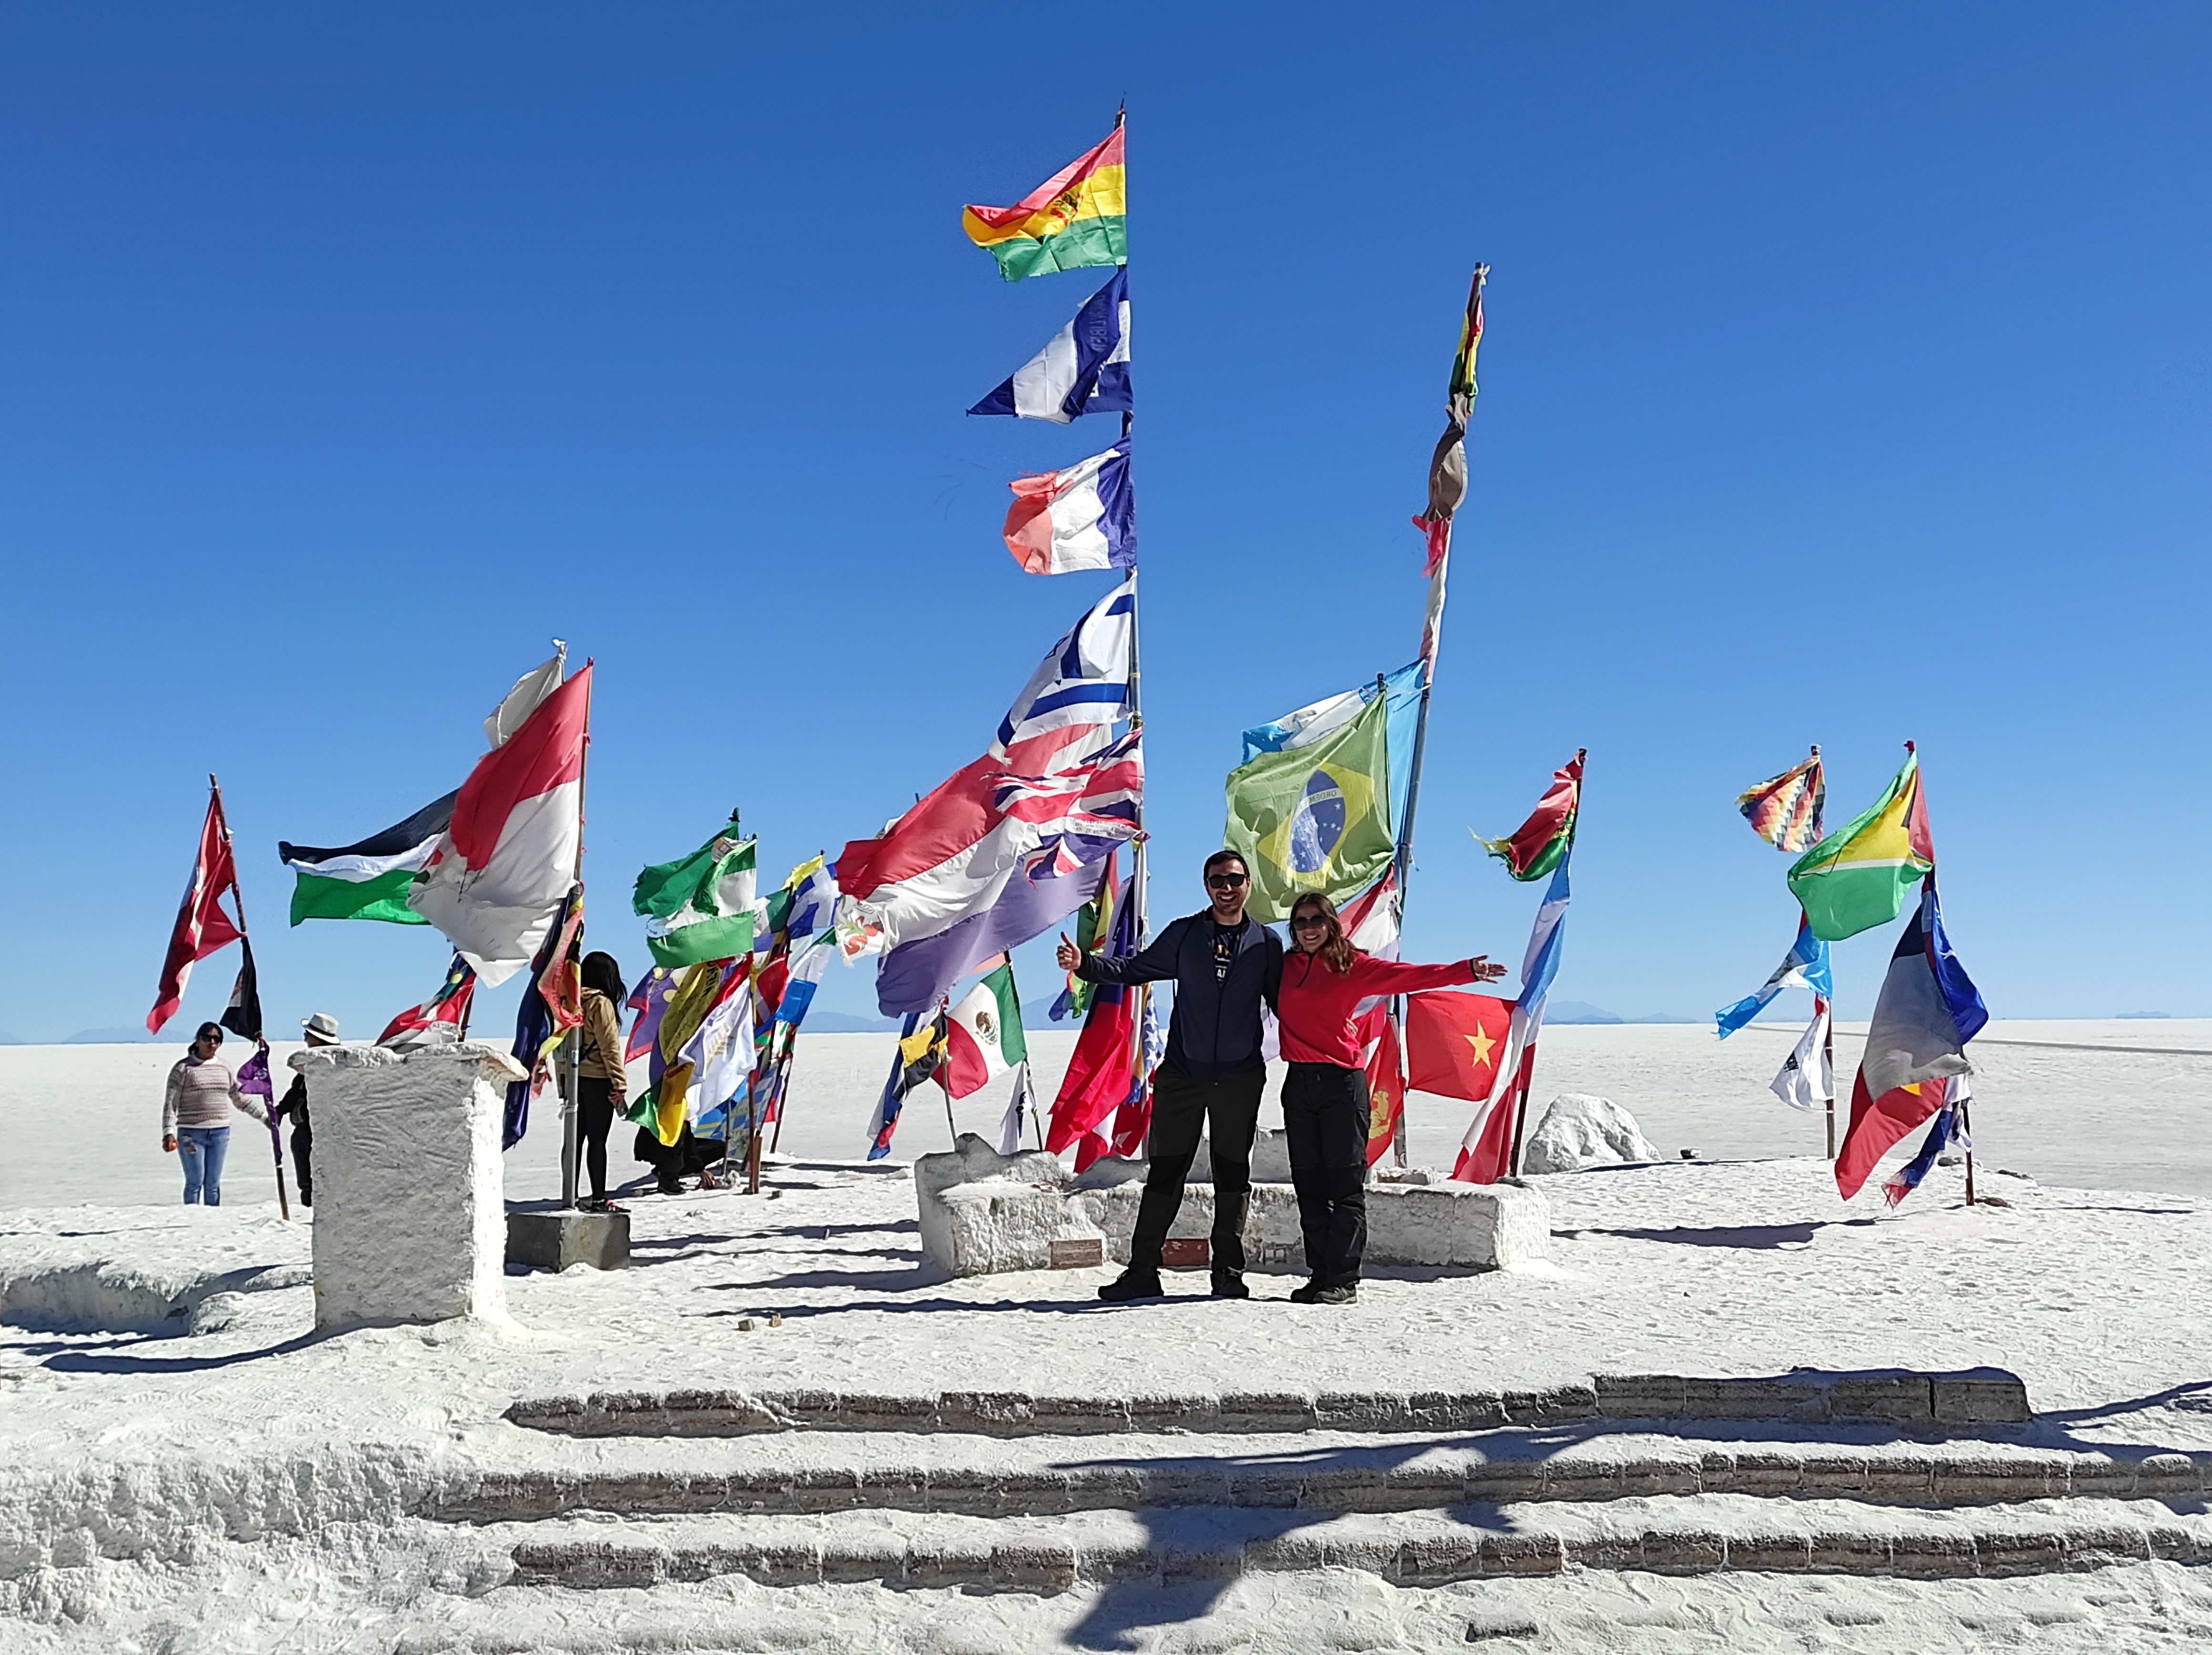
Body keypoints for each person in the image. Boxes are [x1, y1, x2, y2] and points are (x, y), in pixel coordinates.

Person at [1057, 849, 1283, 1303]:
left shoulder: (1266, 943)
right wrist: (1086, 964)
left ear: (1248, 884)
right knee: (1165, 1174)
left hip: (1239, 1078)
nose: (1226, 888)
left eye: (1234, 880)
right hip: (1183, 1076)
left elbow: (1288, 1003)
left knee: (1233, 1177)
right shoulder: (1185, 934)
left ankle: (1228, 1275)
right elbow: (1135, 968)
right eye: (1217, 880)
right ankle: (1142, 1271)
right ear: (1206, 885)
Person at [1275, 890, 1506, 1305]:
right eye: (1301, 922)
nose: (1309, 929)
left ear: (1331, 924)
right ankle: (1319, 1275)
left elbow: (1410, 977)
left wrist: (1466, 971)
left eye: (1316, 920)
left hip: (1341, 1085)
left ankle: (1343, 1280)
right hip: (1299, 1084)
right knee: (1309, 1184)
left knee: (1344, 1184)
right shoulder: (1284, 967)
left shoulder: (1351, 965)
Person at [161, 1021, 271, 1207]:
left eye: (217, 1039)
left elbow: (239, 1099)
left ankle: (213, 1218)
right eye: (207, 1038)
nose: (212, 1043)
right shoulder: (183, 1069)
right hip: (191, 1133)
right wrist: (168, 1132)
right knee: (195, 1182)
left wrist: (265, 1118)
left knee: (213, 1184)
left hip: (220, 1132)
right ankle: (191, 1218)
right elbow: (171, 1103)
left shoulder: (224, 1068)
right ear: (197, 1040)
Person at [569, 951, 630, 1211]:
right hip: (598, 1079)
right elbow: (610, 1048)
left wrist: (563, 1082)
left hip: (574, 1079)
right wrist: (619, 1083)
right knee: (597, 1141)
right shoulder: (600, 1003)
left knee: (574, 1141)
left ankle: (570, 1197)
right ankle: (598, 1198)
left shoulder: (570, 999)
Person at [271, 1012, 340, 1206]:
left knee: (315, 1177)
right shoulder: (311, 1065)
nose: (305, 1040)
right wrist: (280, 1111)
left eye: (307, 1035)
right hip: (306, 1129)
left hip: (317, 1130)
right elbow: (296, 1092)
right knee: (308, 1177)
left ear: (317, 1038)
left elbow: (298, 1093)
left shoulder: (327, 1064)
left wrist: (281, 1111)